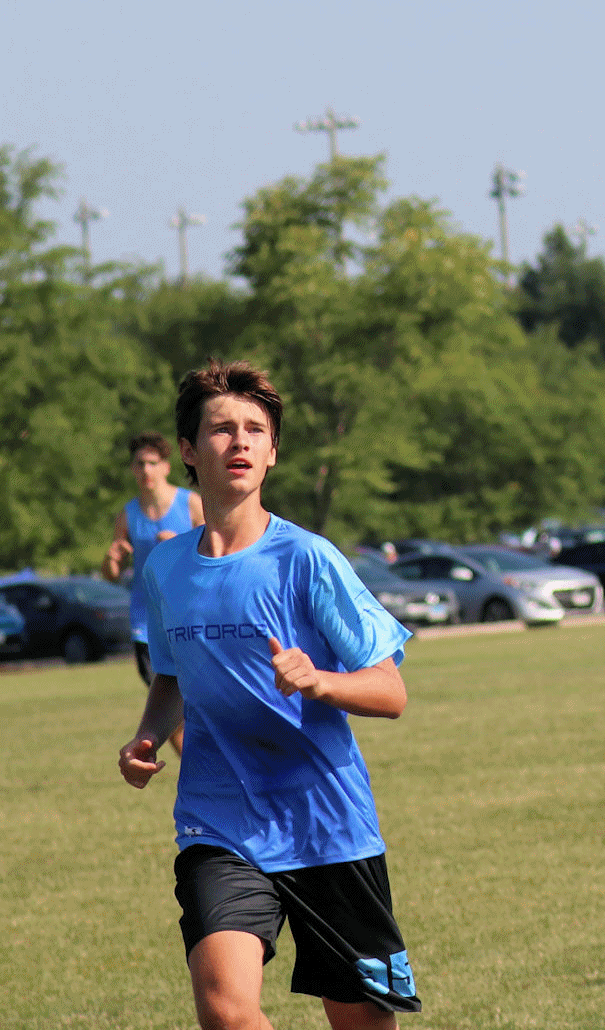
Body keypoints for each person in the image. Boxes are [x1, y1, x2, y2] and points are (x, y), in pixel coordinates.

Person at [118, 359, 420, 1028]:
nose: (241, 442)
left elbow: (391, 691)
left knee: (362, 1023)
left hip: (328, 828)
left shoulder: (307, 558)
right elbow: (171, 673)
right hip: (219, 822)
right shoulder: (166, 567)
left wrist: (321, 681)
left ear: (274, 451)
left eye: (256, 430)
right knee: (227, 1012)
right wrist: (148, 733)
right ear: (189, 450)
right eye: (222, 429)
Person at [104, 432, 205, 754]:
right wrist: (112, 559)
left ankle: (209, 768)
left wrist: (180, 545)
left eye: (152, 463)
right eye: (139, 464)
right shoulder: (128, 514)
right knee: (167, 710)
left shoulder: (190, 504)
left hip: (190, 615)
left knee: (198, 703)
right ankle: (198, 770)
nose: (145, 470)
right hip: (146, 624)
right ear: (132, 469)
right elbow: (111, 575)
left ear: (166, 466)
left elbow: (217, 554)